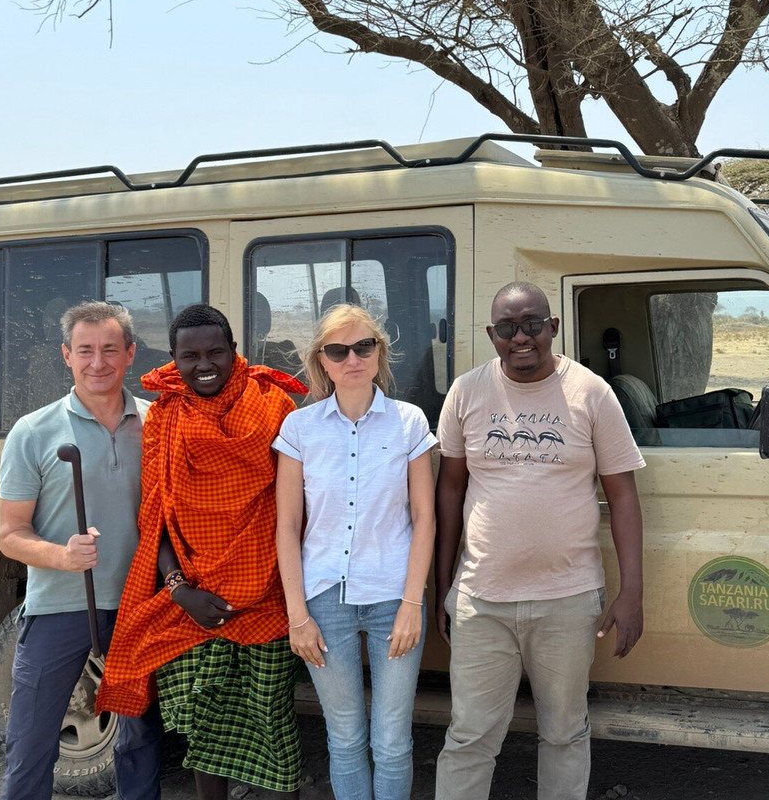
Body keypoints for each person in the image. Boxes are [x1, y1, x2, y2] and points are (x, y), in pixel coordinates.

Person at [433, 282, 646, 800]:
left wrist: (632, 593)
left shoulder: (591, 392)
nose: (521, 337)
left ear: (552, 327)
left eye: (532, 324)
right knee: (469, 736)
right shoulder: (466, 392)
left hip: (567, 599)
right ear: (492, 334)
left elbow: (622, 496)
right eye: (508, 328)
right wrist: (443, 588)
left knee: (565, 732)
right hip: (481, 600)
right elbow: (450, 490)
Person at [96, 304, 308, 800]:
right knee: (204, 727)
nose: (204, 364)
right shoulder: (165, 416)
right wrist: (178, 590)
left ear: (234, 351)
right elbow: (156, 515)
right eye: (189, 356)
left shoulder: (274, 406)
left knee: (273, 724)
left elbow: (299, 505)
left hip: (270, 597)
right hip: (195, 602)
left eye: (216, 352)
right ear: (174, 358)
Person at [0, 301, 162, 800]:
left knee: (140, 743)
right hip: (58, 609)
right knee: (31, 745)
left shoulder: (157, 423)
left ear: (130, 353)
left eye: (110, 349)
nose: (98, 362)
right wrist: (63, 557)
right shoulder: (33, 431)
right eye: (85, 350)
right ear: (66, 355)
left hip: (139, 607)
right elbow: (10, 534)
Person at [274, 304, 437, 800]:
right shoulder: (299, 429)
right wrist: (297, 616)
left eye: (364, 346)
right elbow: (287, 526)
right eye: (338, 350)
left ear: (379, 352)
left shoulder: (408, 422)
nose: (352, 359)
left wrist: (411, 604)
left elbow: (425, 518)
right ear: (322, 360)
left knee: (392, 742)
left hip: (393, 598)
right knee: (344, 739)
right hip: (324, 602)